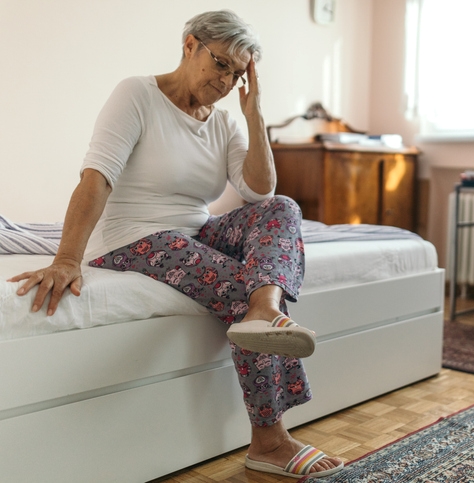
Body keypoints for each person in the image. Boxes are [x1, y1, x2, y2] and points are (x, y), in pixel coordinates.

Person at [8, 10, 343, 479]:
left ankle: (264, 307)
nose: (227, 81)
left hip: (194, 231)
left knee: (282, 208)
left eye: (238, 73)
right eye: (221, 64)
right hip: (132, 236)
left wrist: (254, 115)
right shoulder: (137, 94)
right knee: (236, 281)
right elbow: (97, 176)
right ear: (190, 46)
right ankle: (270, 440)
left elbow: (259, 192)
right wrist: (66, 258)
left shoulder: (224, 122)